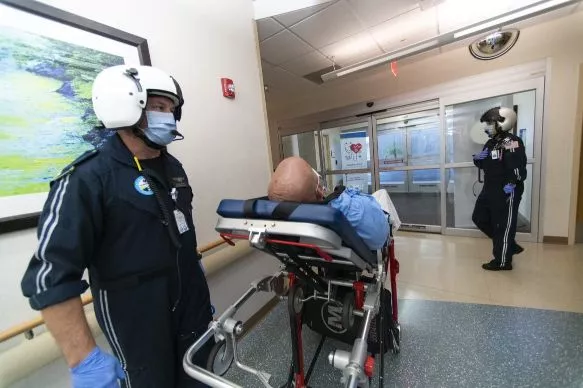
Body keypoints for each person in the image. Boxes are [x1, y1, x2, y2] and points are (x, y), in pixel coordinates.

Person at [21, 65, 213, 387]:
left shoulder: (173, 168)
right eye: (158, 107)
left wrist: (200, 295)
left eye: (171, 109)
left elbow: (181, 238)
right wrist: (85, 361)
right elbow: (49, 277)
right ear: (125, 106)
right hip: (139, 324)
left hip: (192, 314)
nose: (169, 116)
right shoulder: (88, 178)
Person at [267, 156, 389, 250]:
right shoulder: (346, 210)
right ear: (319, 191)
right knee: (382, 193)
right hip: (375, 218)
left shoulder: (282, 217)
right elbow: (380, 237)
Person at [472, 106, 527, 271]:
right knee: (479, 217)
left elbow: (517, 169)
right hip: (489, 188)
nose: (486, 127)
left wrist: (510, 186)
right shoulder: (490, 143)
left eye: (490, 122)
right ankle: (508, 245)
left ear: (503, 122)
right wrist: (477, 159)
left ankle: (502, 261)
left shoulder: (512, 142)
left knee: (503, 226)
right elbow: (483, 163)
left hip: (507, 189)